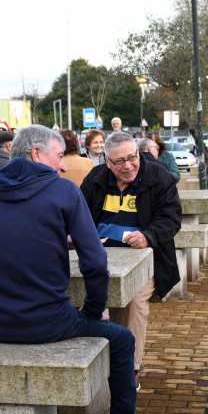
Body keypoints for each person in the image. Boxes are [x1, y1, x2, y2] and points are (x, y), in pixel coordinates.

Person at [0, 125, 153, 414]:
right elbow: (95, 263)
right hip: (49, 323)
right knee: (123, 339)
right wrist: (94, 310)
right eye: (58, 156)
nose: (64, 164)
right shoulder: (63, 191)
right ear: (37, 154)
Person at [80, 131, 182, 391]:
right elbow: (78, 215)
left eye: (132, 157)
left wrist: (148, 236)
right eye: (119, 161)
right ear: (106, 161)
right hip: (98, 258)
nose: (128, 165)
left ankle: (130, 370)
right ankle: (84, 366)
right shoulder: (95, 179)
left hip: (146, 259)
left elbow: (171, 218)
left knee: (133, 300)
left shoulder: (158, 176)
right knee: (78, 295)